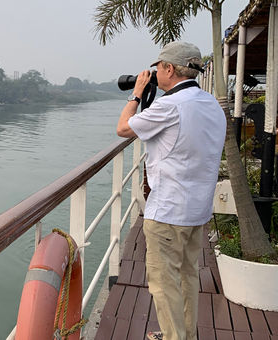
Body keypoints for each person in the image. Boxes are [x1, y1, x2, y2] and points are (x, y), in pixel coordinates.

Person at [116, 41, 226, 340]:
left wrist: (138, 93)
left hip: (168, 211)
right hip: (197, 210)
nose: (154, 73)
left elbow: (124, 128)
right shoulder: (210, 103)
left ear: (168, 68)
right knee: (188, 277)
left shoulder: (170, 105)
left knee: (164, 284)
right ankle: (185, 335)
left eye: (157, 68)